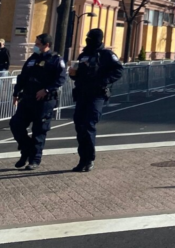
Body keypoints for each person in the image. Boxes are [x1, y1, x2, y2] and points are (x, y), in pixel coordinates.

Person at [69, 28, 123, 172]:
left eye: (90, 38)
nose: (88, 40)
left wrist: (103, 81)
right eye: (87, 37)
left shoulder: (106, 54)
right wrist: (73, 74)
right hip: (82, 94)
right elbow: (77, 75)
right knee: (79, 126)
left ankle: (89, 159)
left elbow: (118, 70)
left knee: (88, 124)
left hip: (97, 95)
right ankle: (82, 159)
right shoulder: (83, 55)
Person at [9, 33, 66, 171]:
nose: (35, 46)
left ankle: (34, 159)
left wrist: (46, 90)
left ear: (47, 45)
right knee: (16, 124)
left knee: (39, 130)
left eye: (38, 44)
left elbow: (60, 79)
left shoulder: (55, 60)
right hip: (28, 98)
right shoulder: (32, 59)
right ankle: (26, 150)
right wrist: (16, 93)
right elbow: (22, 77)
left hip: (44, 100)